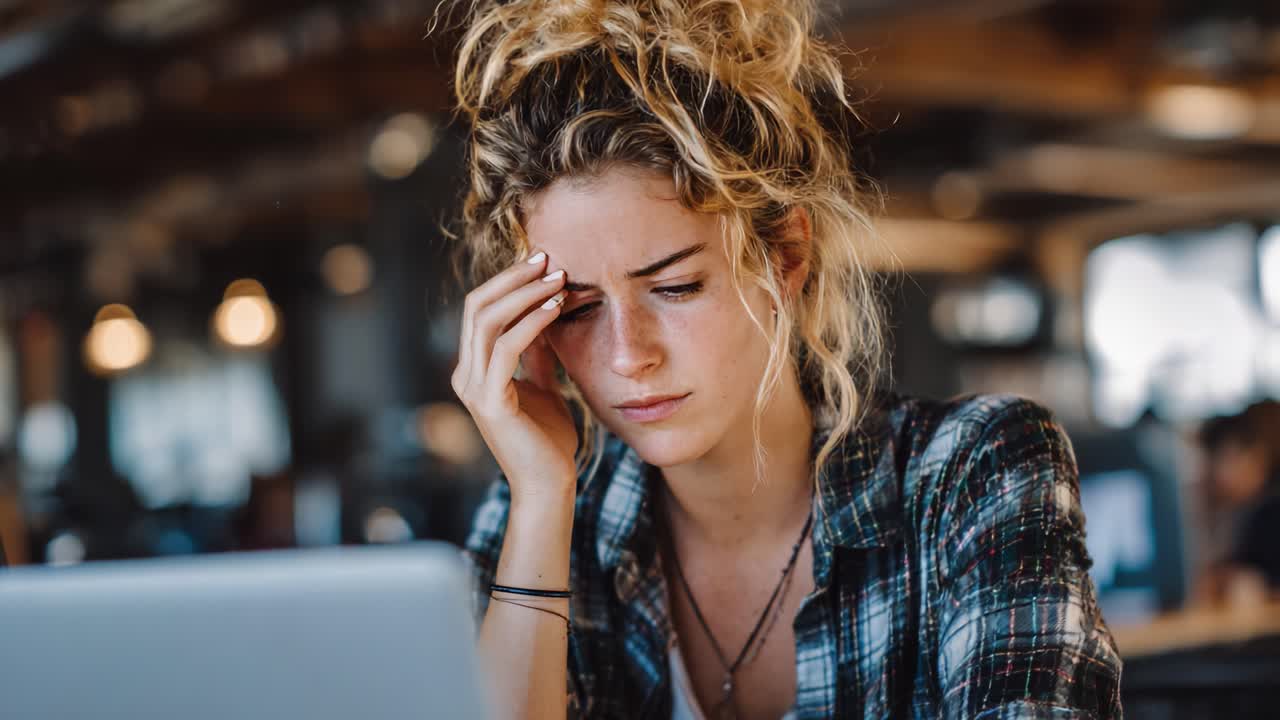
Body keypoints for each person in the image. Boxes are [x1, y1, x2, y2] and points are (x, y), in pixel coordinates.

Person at [442, 1, 1122, 717]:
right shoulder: (540, 515)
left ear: (785, 258)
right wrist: (545, 497)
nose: (626, 355)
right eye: (577, 308)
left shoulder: (973, 472)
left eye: (675, 287)